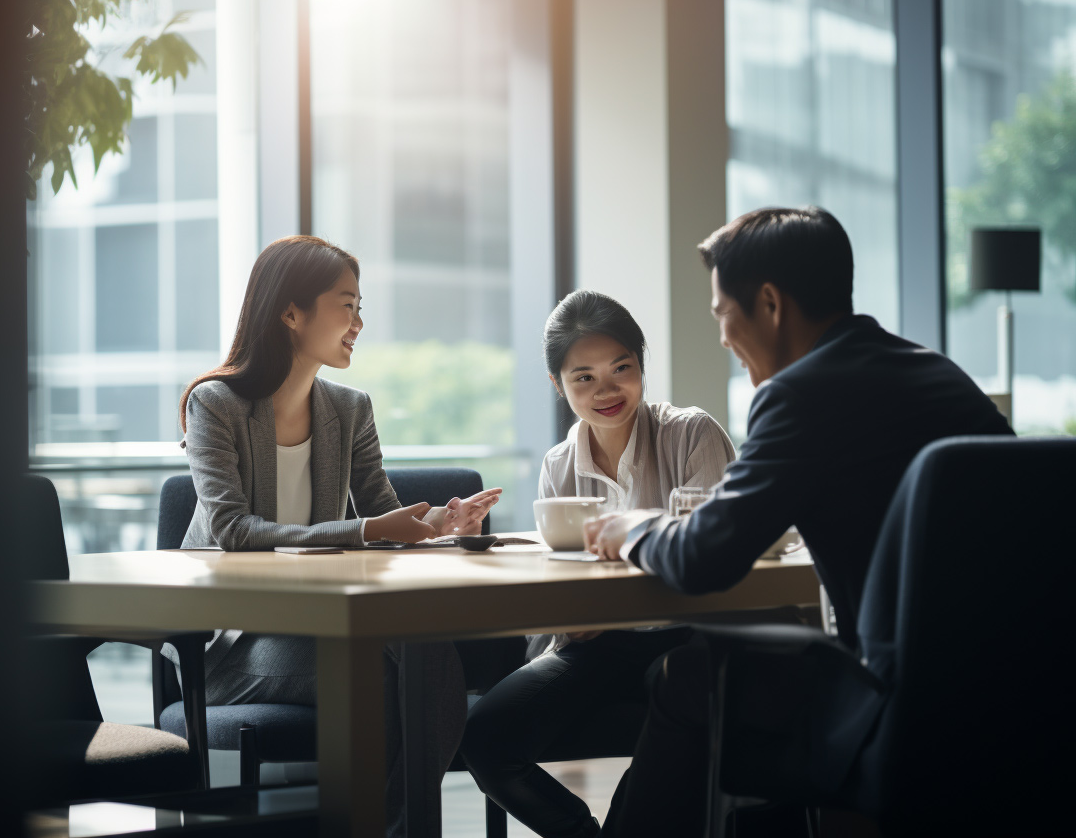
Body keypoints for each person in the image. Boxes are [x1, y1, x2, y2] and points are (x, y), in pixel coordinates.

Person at [583, 206, 1013, 836]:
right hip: (1015, 689)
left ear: (769, 303)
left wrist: (632, 529)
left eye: (721, 315)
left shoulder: (798, 395)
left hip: (894, 698)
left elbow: (706, 556)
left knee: (689, 674)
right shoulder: (939, 374)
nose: (724, 339)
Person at [165, 235, 502, 837]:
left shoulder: (349, 409)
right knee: (376, 672)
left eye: (360, 306)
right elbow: (232, 529)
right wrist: (373, 529)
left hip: (321, 624)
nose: (359, 322)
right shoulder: (215, 404)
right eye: (346, 305)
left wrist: (434, 528)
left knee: (430, 657)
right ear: (291, 312)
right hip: (231, 644)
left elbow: (384, 517)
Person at [461, 290, 736, 838]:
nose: (606, 390)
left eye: (622, 369)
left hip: (689, 640)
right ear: (557, 384)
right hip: (597, 644)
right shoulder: (559, 464)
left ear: (641, 365)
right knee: (485, 741)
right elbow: (558, 573)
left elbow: (708, 558)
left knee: (671, 749)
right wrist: (565, 613)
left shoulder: (692, 433)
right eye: (583, 376)